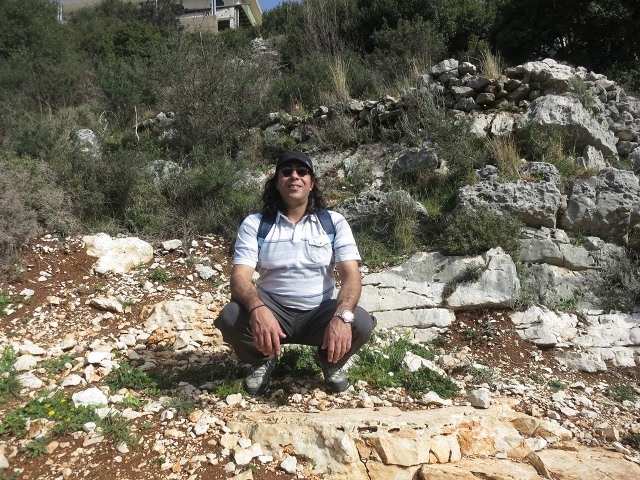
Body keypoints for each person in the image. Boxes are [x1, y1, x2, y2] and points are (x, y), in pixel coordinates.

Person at [215, 151, 376, 396]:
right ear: (277, 182)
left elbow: (351, 276)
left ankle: (331, 361)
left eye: (302, 171)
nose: (294, 176)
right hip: (273, 310)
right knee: (231, 316)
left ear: (312, 183)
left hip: (319, 313)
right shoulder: (255, 224)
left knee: (360, 322)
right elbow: (239, 278)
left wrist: (341, 316)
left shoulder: (333, 222)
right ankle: (262, 359)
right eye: (286, 171)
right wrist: (258, 309)